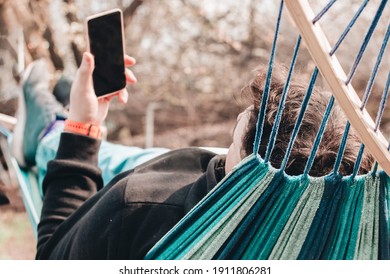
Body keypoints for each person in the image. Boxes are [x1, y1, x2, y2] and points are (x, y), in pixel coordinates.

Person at [13, 52, 373, 260]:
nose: (238, 117)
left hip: (157, 198)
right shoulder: (353, 235)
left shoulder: (137, 208)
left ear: (249, 177)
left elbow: (50, 259)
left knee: (108, 155)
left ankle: (49, 131)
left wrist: (82, 126)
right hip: (178, 172)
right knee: (142, 155)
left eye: (234, 141)